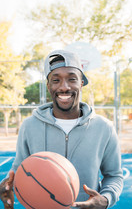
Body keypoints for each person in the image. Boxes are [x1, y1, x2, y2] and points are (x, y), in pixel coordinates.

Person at [0, 50, 123, 209]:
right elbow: (20, 172)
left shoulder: (104, 128)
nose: (64, 87)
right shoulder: (29, 126)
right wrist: (10, 185)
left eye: (72, 79)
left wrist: (106, 199)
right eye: (56, 80)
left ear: (81, 83)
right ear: (49, 85)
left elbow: (114, 175)